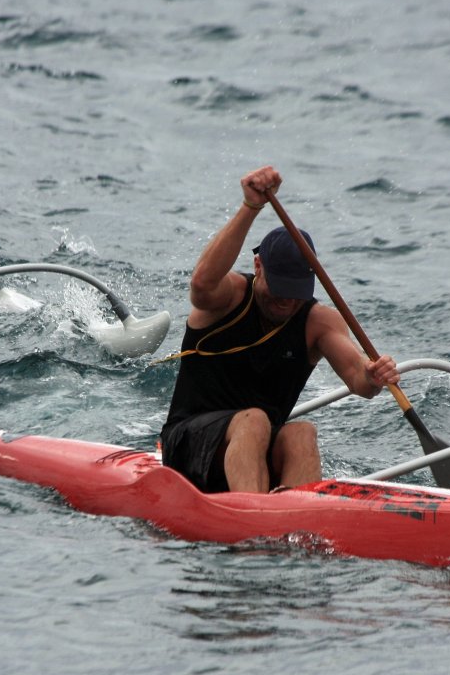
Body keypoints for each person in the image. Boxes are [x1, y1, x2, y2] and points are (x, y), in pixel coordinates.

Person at [161, 165, 400, 494]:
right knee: (256, 419)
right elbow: (201, 284)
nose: (287, 300)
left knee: (301, 432)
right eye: (280, 287)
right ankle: (256, 528)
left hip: (252, 457)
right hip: (186, 448)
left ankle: (299, 530)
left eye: (296, 290)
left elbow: (358, 377)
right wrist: (251, 207)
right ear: (258, 266)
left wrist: (373, 376)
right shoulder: (228, 298)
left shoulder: (319, 321)